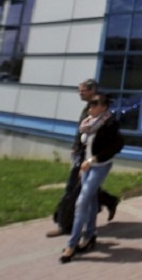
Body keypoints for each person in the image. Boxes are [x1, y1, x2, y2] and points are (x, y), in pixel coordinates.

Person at [46, 79, 120, 237]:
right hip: (82, 155)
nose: (80, 93)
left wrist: (94, 158)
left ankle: (65, 225)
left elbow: (112, 142)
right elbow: (82, 132)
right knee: (86, 190)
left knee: (72, 189)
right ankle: (109, 201)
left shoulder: (103, 113)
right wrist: (76, 146)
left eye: (83, 91)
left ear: (93, 91)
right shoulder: (89, 109)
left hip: (92, 160)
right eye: (79, 90)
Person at [60, 93, 124, 263]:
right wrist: (82, 163)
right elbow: (84, 145)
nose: (90, 108)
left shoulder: (110, 124)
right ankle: (89, 236)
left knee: (82, 202)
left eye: (94, 105)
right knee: (92, 200)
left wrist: (93, 160)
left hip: (100, 166)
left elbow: (115, 147)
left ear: (103, 107)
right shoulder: (88, 122)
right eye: (90, 104)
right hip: (86, 166)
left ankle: (72, 245)